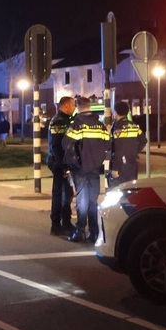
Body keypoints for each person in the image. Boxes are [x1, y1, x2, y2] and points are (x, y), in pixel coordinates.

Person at [63, 96, 110, 243]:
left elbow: (66, 143)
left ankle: (80, 230)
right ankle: (94, 232)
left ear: (78, 107)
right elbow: (107, 145)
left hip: (80, 167)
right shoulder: (100, 125)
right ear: (90, 107)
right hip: (95, 168)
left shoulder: (76, 123)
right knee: (93, 200)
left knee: (81, 200)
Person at [46, 96, 76, 236]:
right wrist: (62, 165)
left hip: (65, 163)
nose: (74, 107)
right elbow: (56, 146)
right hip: (60, 164)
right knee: (59, 194)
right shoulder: (58, 122)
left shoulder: (67, 120)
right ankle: (56, 224)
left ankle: (66, 222)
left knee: (68, 194)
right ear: (65, 106)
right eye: (72, 105)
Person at [108, 101, 146, 187]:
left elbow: (119, 148)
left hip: (121, 166)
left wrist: (115, 168)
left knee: (118, 191)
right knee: (131, 190)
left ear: (116, 112)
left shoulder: (118, 127)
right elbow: (143, 140)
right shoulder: (133, 125)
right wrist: (134, 151)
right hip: (132, 163)